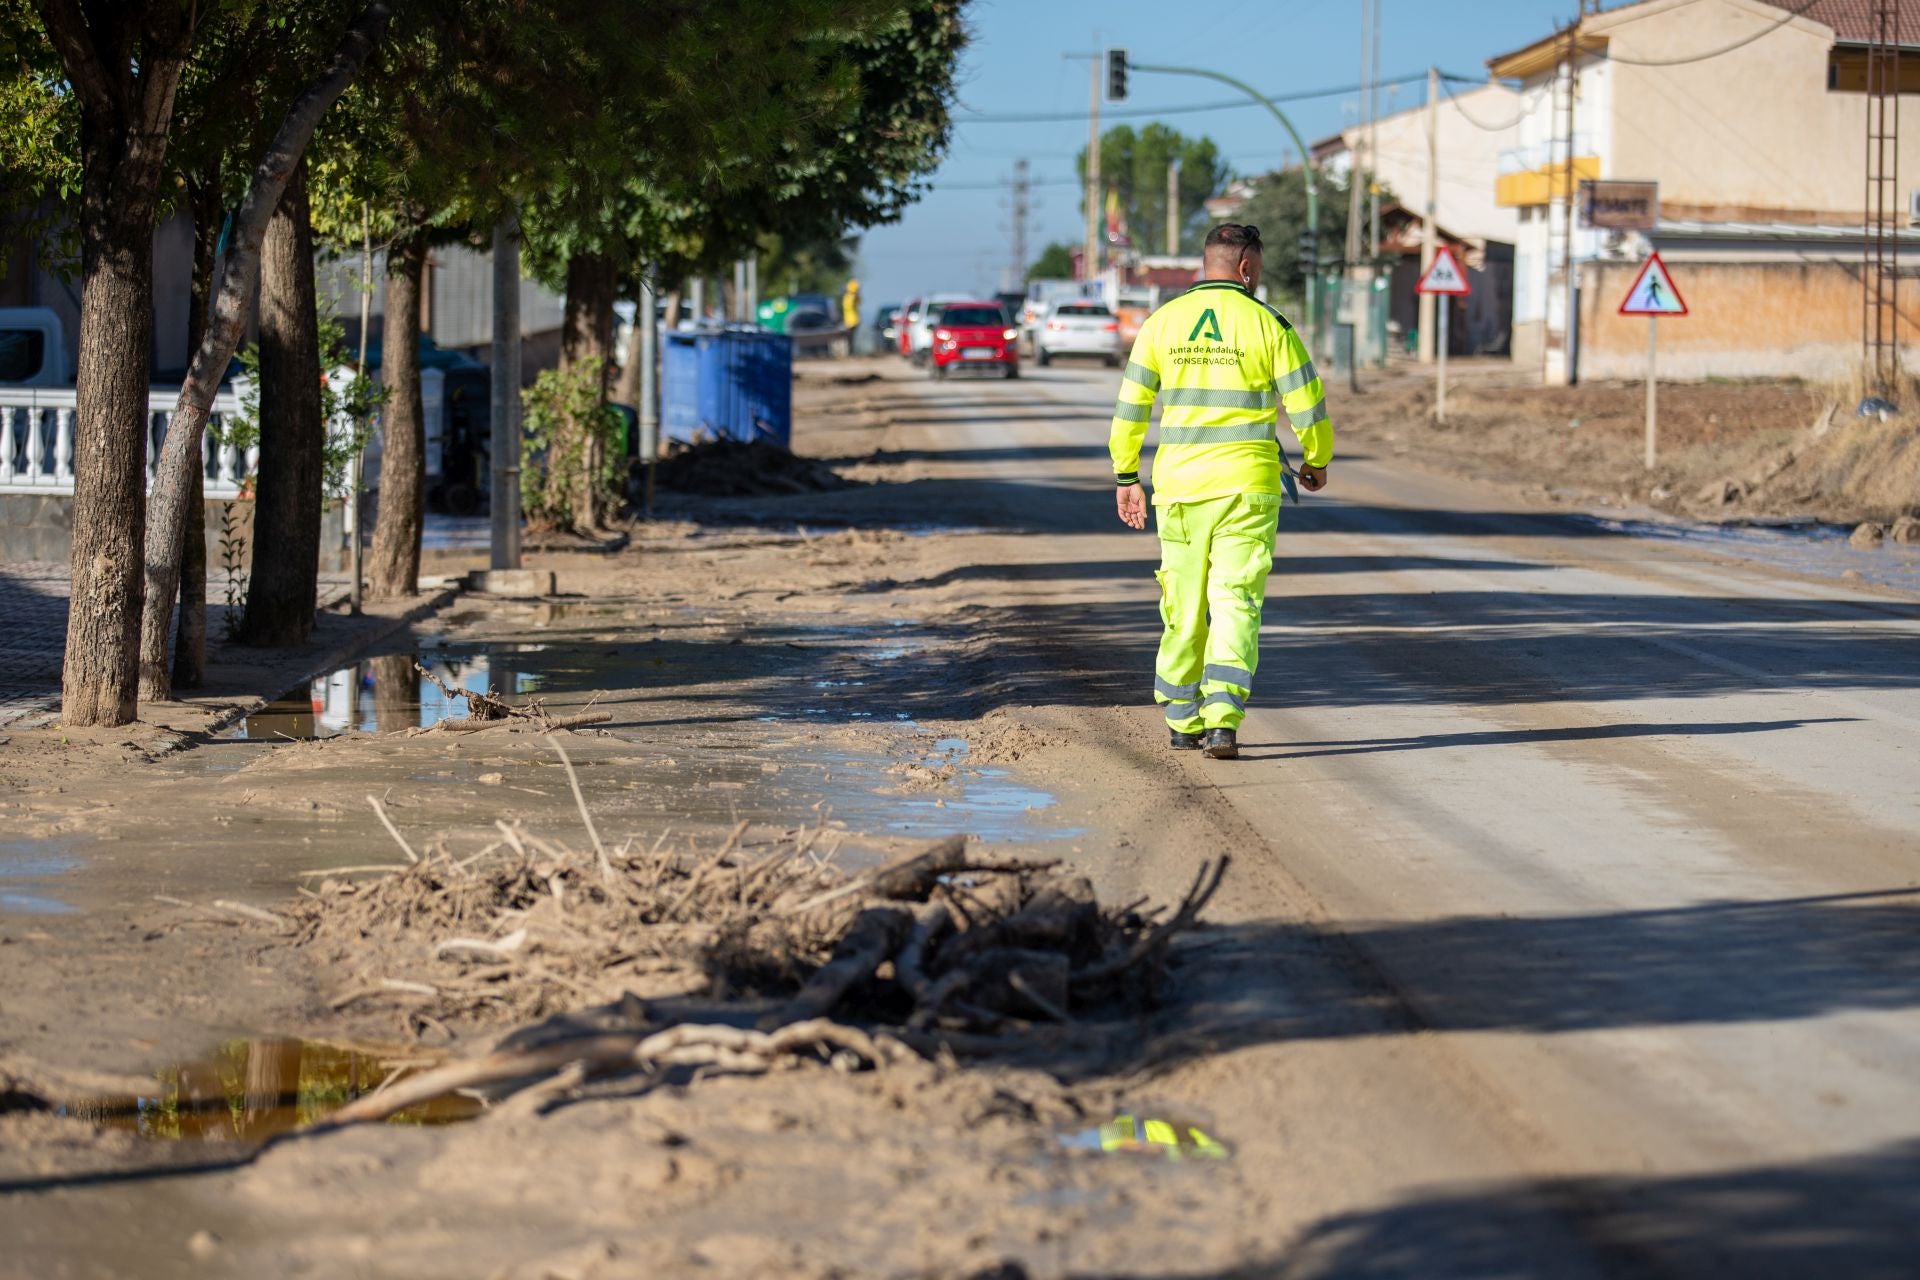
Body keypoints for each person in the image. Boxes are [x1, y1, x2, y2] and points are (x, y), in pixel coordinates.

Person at [1108, 223, 1334, 760]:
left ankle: (1181, 718)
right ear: (1246, 268)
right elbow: (1307, 403)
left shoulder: (1162, 323)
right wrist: (1317, 458)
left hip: (1180, 489)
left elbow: (1131, 408)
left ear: (1206, 263)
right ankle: (1222, 723)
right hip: (1248, 490)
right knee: (1236, 600)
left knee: (1182, 604)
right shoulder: (1270, 324)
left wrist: (1126, 475)